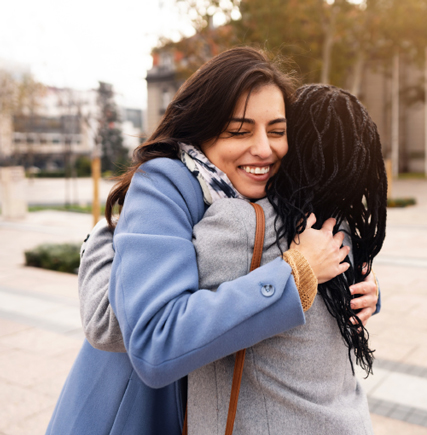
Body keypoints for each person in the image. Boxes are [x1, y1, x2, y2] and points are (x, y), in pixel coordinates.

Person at [46, 47, 365, 435]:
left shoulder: (271, 186)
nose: (265, 148)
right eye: (239, 131)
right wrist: (294, 274)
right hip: (143, 415)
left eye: (277, 131)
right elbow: (150, 337)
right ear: (202, 129)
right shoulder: (167, 184)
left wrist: (360, 290)